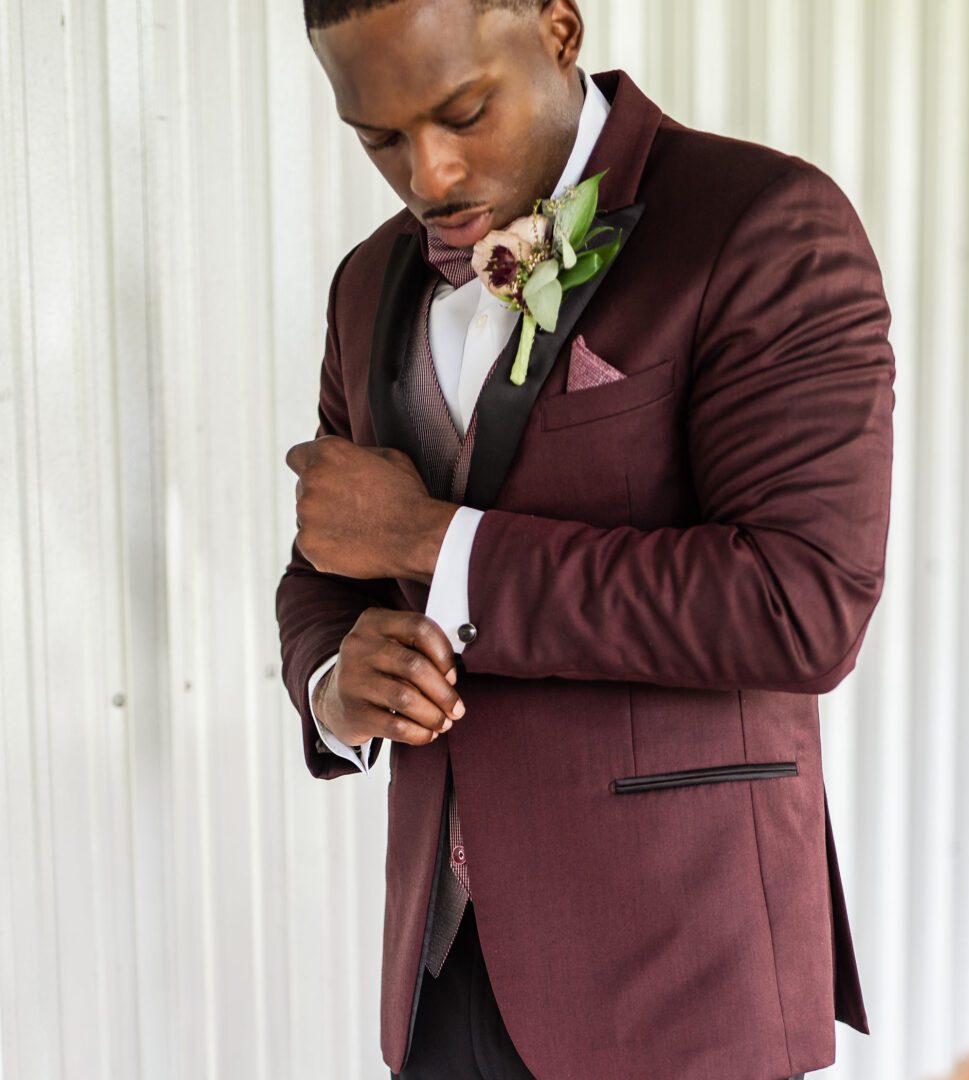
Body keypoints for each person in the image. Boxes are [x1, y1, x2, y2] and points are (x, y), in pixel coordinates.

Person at [276, 0, 895, 1076]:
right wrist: (335, 679)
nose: (427, 175)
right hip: (441, 968)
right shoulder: (368, 280)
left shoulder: (762, 224)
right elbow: (333, 550)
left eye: (463, 111)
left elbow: (799, 606)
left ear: (559, 30)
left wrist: (436, 543)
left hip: (678, 976)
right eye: (377, 136)